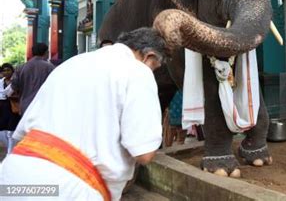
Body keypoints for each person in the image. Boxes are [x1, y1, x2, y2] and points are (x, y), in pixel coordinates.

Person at [0, 28, 166, 201]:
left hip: (14, 172)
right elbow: (144, 153)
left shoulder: (73, 63)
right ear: (149, 57)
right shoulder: (138, 71)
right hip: (68, 187)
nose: (152, 72)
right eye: (155, 68)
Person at [10, 43, 55, 115]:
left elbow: (14, 86)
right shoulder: (50, 67)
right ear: (46, 52)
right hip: (43, 106)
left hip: (25, 105)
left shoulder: (21, 67)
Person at [0, 63, 21, 152]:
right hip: (2, 106)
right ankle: (9, 146)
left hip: (13, 106)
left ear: (12, 71)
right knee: (1, 129)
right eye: (4, 70)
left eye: (8, 70)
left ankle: (10, 151)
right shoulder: (0, 82)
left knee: (11, 130)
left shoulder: (16, 82)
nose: (6, 72)